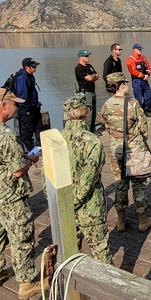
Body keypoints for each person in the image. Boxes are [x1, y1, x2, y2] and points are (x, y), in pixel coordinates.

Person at [0, 88, 48, 299]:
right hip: (10, 196)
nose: (17, 108)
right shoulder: (6, 135)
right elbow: (17, 170)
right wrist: (31, 159)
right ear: (3, 105)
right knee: (21, 237)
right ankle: (26, 282)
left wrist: (18, 156)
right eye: (14, 104)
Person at [99, 72, 151, 233]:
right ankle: (143, 221)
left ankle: (121, 221)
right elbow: (143, 127)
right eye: (125, 83)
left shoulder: (106, 105)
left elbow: (106, 126)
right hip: (134, 147)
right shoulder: (133, 104)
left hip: (117, 147)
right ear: (121, 85)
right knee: (139, 184)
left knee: (121, 183)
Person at [60, 93, 110, 263]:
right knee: (100, 250)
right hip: (90, 207)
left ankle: (72, 286)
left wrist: (63, 202)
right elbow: (88, 179)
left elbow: (47, 178)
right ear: (85, 113)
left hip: (63, 205)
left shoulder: (55, 139)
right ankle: (106, 288)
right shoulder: (92, 141)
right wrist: (76, 200)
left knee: (70, 253)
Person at [12, 57, 43, 153]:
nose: (35, 68)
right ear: (27, 67)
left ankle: (39, 151)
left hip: (34, 108)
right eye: (33, 67)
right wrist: (28, 108)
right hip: (27, 110)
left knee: (39, 130)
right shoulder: (22, 78)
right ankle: (31, 153)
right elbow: (22, 96)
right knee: (27, 132)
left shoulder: (29, 76)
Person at [73, 49, 100, 131]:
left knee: (94, 111)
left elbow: (97, 76)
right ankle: (87, 130)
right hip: (86, 91)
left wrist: (93, 76)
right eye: (86, 56)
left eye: (88, 55)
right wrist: (92, 76)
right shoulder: (79, 68)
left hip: (92, 90)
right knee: (88, 111)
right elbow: (89, 78)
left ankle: (92, 129)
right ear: (81, 57)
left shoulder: (89, 66)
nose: (88, 57)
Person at [126, 43, 151, 113]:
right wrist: (142, 76)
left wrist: (148, 74)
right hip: (137, 80)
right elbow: (133, 71)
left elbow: (148, 66)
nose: (140, 50)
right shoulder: (130, 59)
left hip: (145, 79)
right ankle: (139, 112)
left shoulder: (143, 57)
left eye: (141, 49)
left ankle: (146, 110)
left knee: (148, 96)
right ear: (134, 50)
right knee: (138, 97)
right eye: (139, 49)